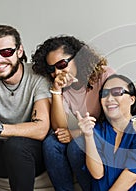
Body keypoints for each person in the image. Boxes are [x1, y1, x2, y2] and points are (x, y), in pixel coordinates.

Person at [31, 35, 115, 190]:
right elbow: (59, 127)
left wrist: (75, 134)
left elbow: (115, 119)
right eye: (51, 69)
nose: (57, 72)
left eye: (62, 64)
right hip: (80, 130)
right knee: (51, 144)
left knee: (77, 147)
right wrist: (57, 91)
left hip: (102, 131)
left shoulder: (104, 75)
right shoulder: (57, 85)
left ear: (78, 59)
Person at [0, 25, 51, 190]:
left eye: (7, 52)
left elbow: (41, 129)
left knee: (16, 146)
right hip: (3, 148)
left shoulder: (38, 77)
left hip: (34, 152)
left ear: (19, 51)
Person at [75, 74, 136, 191]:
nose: (109, 98)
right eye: (104, 94)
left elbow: (132, 173)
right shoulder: (98, 130)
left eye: (117, 92)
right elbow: (97, 173)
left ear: (132, 99)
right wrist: (88, 136)